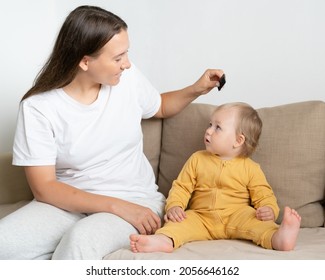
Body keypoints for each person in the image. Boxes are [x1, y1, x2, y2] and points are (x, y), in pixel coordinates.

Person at [0, 5, 225, 260]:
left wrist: (197, 88)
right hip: (68, 204)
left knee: (80, 242)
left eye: (126, 54)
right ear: (85, 61)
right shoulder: (38, 107)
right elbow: (45, 188)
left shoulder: (126, 80)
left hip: (135, 199)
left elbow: (159, 106)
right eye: (118, 58)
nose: (127, 64)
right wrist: (116, 206)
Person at [130, 102, 302, 253]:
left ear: (238, 140)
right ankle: (164, 240)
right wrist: (175, 206)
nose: (208, 130)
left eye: (217, 127)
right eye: (210, 124)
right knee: (178, 224)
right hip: (201, 216)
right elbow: (181, 187)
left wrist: (268, 209)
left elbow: (264, 194)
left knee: (258, 224)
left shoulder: (250, 168)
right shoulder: (197, 159)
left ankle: (279, 238)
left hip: (237, 215)